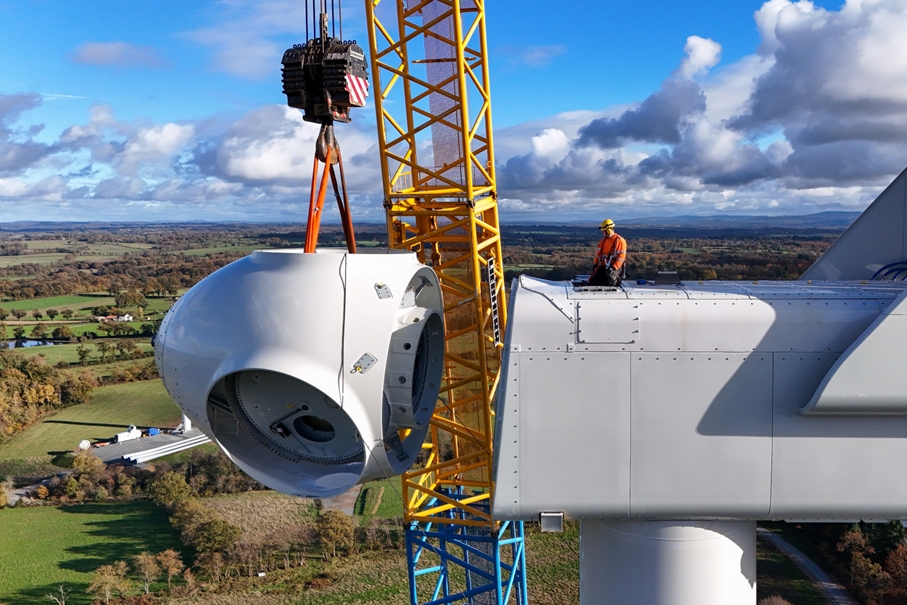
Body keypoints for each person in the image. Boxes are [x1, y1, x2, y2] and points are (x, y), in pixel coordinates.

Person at [589, 218, 627, 286]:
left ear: (608, 230)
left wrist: (613, 268)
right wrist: (595, 264)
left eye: (603, 231)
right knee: (593, 281)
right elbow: (598, 254)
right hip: (603, 265)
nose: (602, 232)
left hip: (615, 267)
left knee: (609, 282)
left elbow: (621, 258)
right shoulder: (603, 240)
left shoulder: (620, 241)